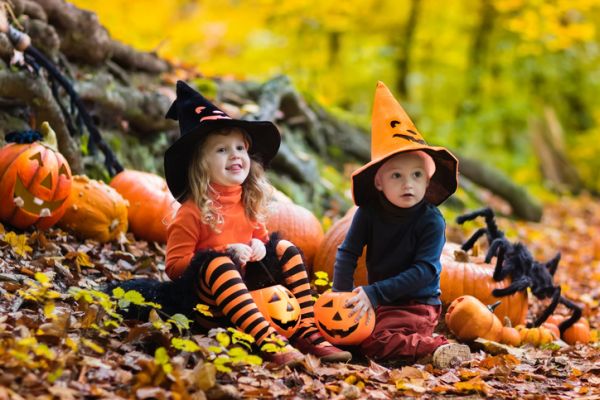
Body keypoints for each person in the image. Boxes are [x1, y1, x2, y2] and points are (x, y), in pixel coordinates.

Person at [161, 81, 351, 367]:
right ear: (200, 164)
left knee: (285, 247)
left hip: (247, 298)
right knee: (219, 263)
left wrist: (257, 248)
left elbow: (260, 240)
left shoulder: (247, 201)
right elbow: (175, 268)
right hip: (207, 304)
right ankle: (267, 341)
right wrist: (226, 252)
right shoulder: (191, 212)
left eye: (240, 147)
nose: (236, 155)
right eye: (222, 150)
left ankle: (306, 330)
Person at [332, 81, 471, 368]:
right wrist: (340, 297)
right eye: (396, 176)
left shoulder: (431, 220)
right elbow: (347, 253)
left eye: (417, 175)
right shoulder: (368, 212)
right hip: (381, 302)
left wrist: (374, 293)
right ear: (379, 182)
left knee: (373, 342)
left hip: (416, 303)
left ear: (428, 180)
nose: (408, 183)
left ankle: (437, 347)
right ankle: (405, 343)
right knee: (344, 334)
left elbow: (425, 270)